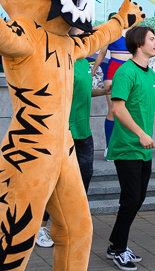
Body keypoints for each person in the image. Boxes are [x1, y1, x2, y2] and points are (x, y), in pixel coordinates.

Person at [37, 39, 111, 248]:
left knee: (83, 178)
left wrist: (104, 91)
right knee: (54, 180)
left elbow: (82, 91)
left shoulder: (84, 62)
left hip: (82, 130)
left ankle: (67, 223)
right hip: (62, 130)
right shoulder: (60, 60)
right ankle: (40, 227)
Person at [105, 25, 155, 271]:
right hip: (128, 146)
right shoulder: (125, 72)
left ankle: (115, 243)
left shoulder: (150, 74)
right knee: (131, 199)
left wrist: (144, 137)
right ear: (139, 44)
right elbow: (117, 109)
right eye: (152, 39)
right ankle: (118, 249)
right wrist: (140, 134)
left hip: (143, 147)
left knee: (137, 198)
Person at [99, 15, 130, 150]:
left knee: (128, 111)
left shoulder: (133, 33)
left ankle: (124, 145)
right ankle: (109, 147)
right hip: (112, 71)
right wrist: (93, 71)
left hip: (129, 72)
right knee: (113, 110)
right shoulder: (111, 33)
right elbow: (102, 53)